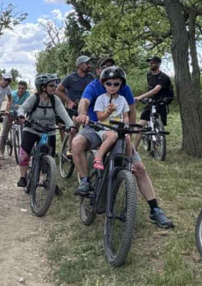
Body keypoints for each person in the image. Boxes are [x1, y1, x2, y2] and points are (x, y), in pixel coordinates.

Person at [71, 57, 175, 229]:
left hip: (118, 130)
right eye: (105, 68)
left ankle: (155, 209)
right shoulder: (93, 86)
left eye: (112, 67)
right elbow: (84, 102)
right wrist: (82, 114)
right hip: (96, 127)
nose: (112, 83)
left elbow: (131, 112)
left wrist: (131, 132)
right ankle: (84, 181)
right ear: (99, 72)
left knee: (139, 168)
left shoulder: (124, 89)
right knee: (76, 143)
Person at [16, 74, 76, 188]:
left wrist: (71, 126)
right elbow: (22, 108)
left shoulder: (55, 99)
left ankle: (50, 180)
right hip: (32, 128)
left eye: (55, 85)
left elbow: (63, 113)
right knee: (24, 154)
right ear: (43, 87)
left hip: (49, 130)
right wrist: (21, 116)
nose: (55, 87)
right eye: (52, 85)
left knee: (50, 156)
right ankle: (23, 177)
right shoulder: (34, 98)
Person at [91, 67, 130, 170]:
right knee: (112, 136)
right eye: (109, 84)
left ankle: (129, 161)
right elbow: (100, 117)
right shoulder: (101, 99)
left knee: (127, 138)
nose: (112, 87)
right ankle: (98, 158)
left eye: (116, 84)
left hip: (118, 129)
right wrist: (108, 111)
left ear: (121, 84)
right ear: (104, 84)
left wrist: (126, 123)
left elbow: (126, 116)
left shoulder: (122, 99)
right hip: (104, 129)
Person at [133, 56, 173, 147]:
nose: (151, 64)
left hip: (161, 102)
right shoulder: (149, 75)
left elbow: (155, 90)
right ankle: (134, 149)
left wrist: (139, 97)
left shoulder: (164, 77)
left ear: (158, 64)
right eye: (150, 63)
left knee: (159, 126)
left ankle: (157, 145)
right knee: (140, 126)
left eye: (153, 63)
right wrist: (146, 98)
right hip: (151, 102)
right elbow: (150, 89)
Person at [1, 80, 30, 145]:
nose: (20, 90)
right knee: (4, 133)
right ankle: (1, 150)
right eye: (19, 88)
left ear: (26, 89)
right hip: (10, 113)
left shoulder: (27, 94)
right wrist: (7, 112)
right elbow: (8, 104)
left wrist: (20, 106)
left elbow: (28, 104)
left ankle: (21, 147)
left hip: (20, 114)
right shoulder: (13, 94)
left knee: (23, 131)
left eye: (23, 88)